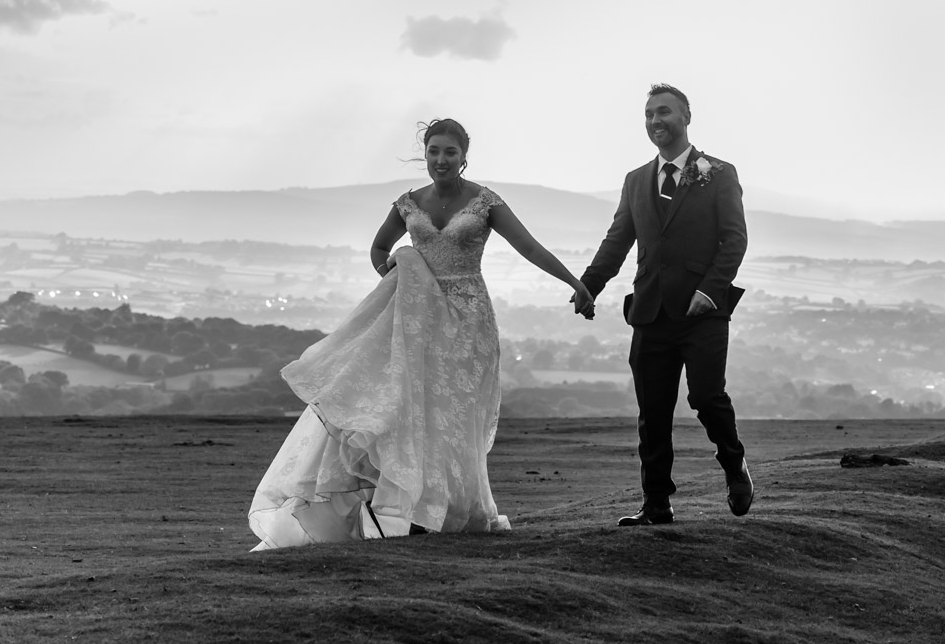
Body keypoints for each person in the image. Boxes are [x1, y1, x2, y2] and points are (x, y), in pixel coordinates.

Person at [247, 118, 593, 548]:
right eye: (433, 151)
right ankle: (409, 513)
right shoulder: (408, 203)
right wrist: (393, 271)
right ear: (424, 155)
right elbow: (378, 248)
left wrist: (575, 283)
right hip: (417, 319)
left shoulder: (485, 202)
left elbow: (529, 247)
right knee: (410, 410)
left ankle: (449, 510)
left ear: (464, 157)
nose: (441, 160)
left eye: (450, 152)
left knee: (453, 417)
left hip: (468, 319)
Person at [576, 84, 753, 525]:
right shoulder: (636, 180)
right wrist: (589, 285)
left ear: (686, 116)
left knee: (707, 398)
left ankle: (735, 467)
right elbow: (617, 239)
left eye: (665, 112)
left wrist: (710, 290)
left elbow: (734, 240)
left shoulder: (719, 173)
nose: (657, 121)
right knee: (652, 411)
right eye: (650, 114)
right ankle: (656, 502)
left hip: (703, 312)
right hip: (650, 312)